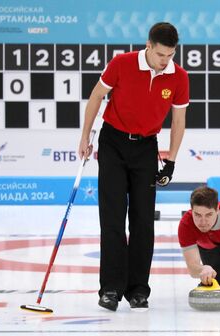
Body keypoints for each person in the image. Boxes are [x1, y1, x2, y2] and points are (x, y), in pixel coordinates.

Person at [78, 22, 189, 312]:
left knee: (142, 222)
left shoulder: (178, 76)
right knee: (112, 219)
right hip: (113, 142)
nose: (166, 61)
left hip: (146, 147)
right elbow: (96, 97)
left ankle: (138, 289)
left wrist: (172, 160)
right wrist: (84, 137)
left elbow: (178, 121)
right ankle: (111, 289)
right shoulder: (122, 63)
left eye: (171, 55)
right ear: (148, 46)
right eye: (161, 54)